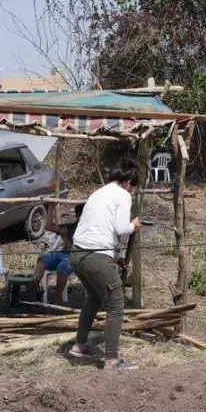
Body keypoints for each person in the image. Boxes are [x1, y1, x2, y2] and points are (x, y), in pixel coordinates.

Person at [67, 158, 142, 370]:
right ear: (128, 182)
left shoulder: (99, 193)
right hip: (95, 256)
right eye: (133, 186)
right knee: (116, 303)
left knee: (93, 298)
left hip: (77, 254)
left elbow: (100, 228)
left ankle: (79, 346)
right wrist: (133, 225)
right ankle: (111, 359)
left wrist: (113, 256)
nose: (132, 190)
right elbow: (120, 228)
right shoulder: (122, 194)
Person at [33, 203, 84, 304]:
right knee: (43, 259)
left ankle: (57, 297)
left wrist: (64, 236)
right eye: (78, 215)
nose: (79, 218)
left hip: (77, 256)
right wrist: (51, 207)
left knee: (63, 266)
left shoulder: (89, 231)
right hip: (63, 254)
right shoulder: (71, 226)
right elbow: (48, 226)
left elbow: (74, 251)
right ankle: (34, 289)